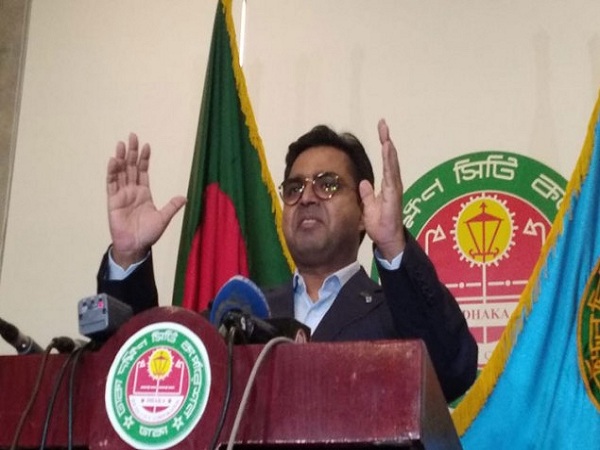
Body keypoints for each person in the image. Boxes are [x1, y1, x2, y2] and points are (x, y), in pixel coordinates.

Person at [97, 119, 477, 402]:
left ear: (364, 211)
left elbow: (452, 370)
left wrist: (393, 244)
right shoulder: (237, 314)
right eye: (294, 188)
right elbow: (146, 374)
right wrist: (128, 257)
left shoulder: (394, 313)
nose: (306, 197)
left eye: (327, 184)